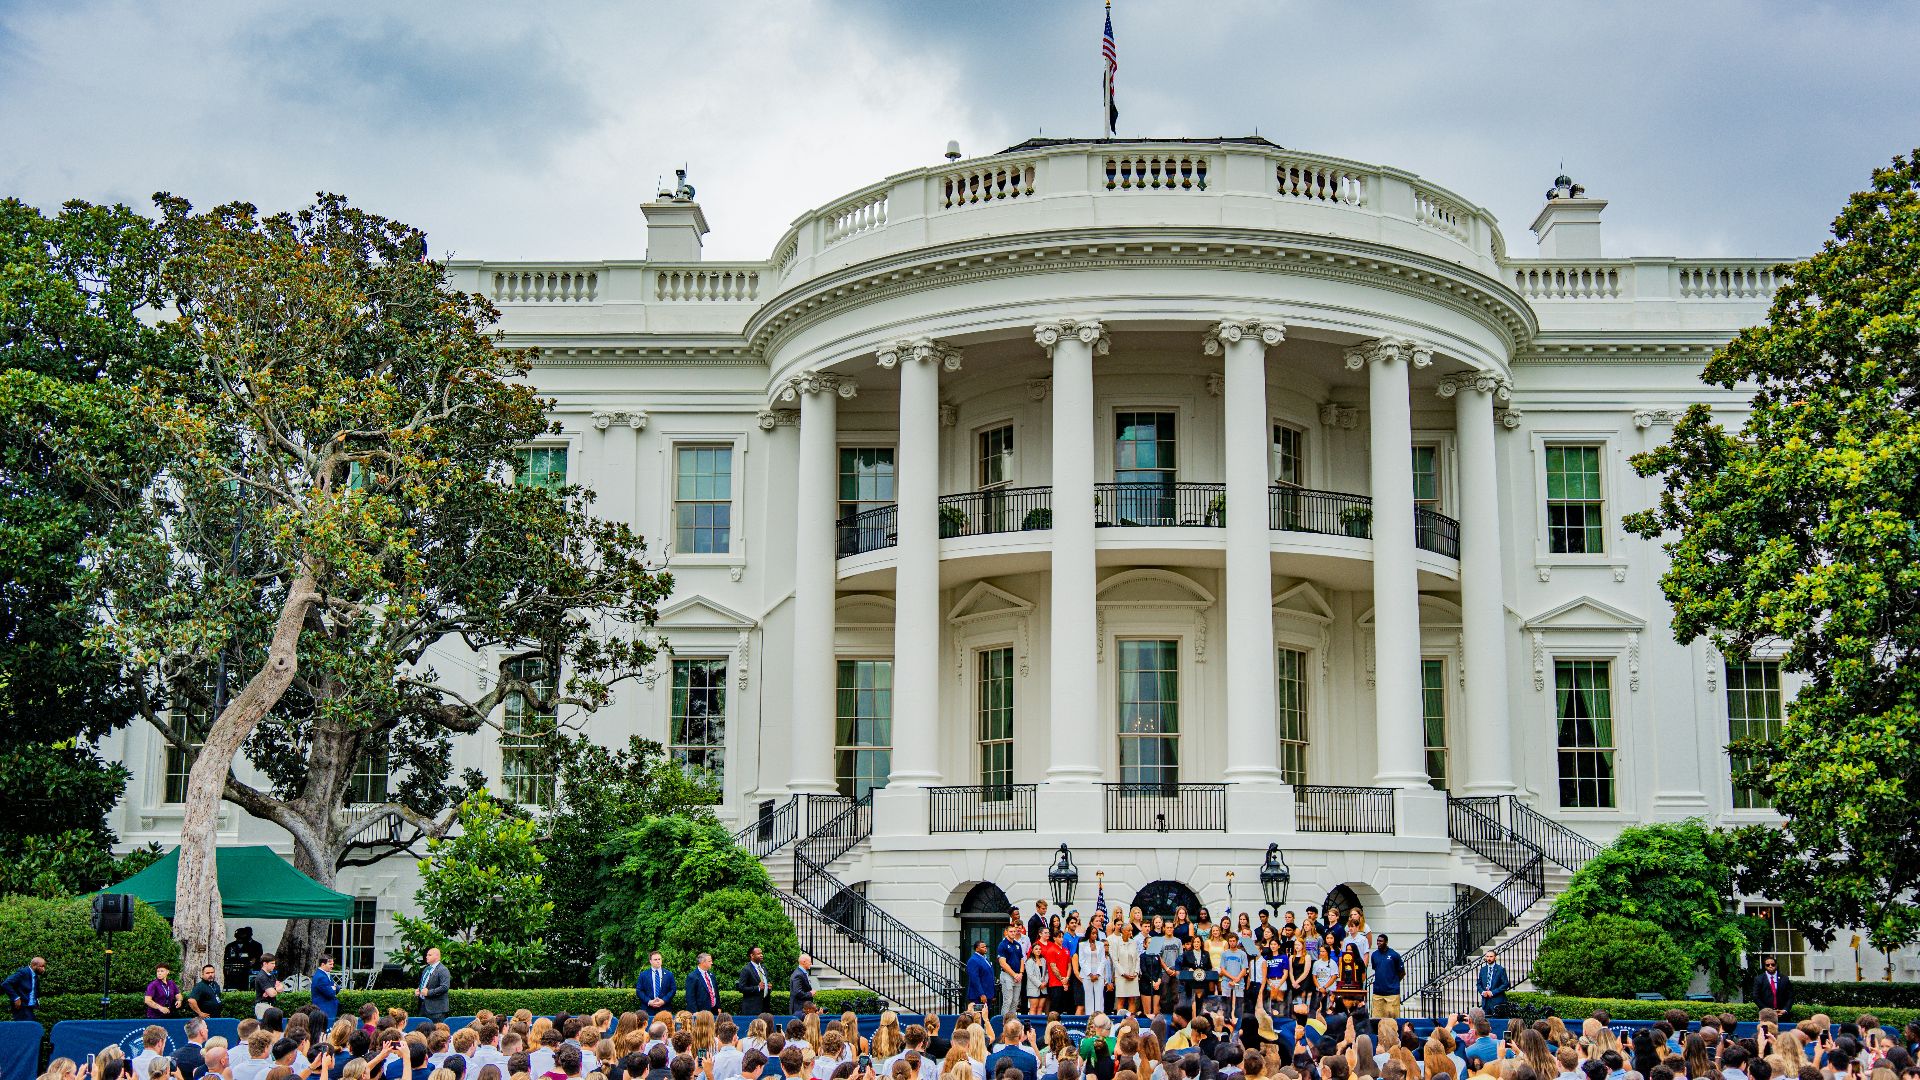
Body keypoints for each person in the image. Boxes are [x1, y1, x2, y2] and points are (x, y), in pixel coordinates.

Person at [1367, 935, 1403, 1019]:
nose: (1378, 943)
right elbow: (1376, 968)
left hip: (1392, 993)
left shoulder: (1394, 955)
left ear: (1386, 942)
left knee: (1392, 1019)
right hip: (1378, 993)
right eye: (1378, 941)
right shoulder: (1374, 955)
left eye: (1381, 941)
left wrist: (1393, 982)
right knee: (1376, 1019)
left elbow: (1401, 972)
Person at [996, 924, 1026, 1020]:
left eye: (1014, 931)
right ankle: (1004, 1022)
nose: (1013, 933)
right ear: (1006, 932)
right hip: (1007, 975)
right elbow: (1002, 963)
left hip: (1018, 976)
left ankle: (1012, 1022)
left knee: (1015, 1001)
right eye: (1011, 931)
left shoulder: (1017, 944)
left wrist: (1021, 973)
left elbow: (1021, 959)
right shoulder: (1002, 945)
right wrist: (1014, 975)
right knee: (1007, 1001)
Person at [1112, 922, 1142, 1016]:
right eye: (1129, 930)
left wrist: (1136, 972)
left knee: (1132, 999)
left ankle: (1131, 1020)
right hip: (1122, 976)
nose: (1130, 932)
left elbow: (1137, 958)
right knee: (1121, 999)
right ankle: (1119, 1022)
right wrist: (1123, 973)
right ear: (1123, 931)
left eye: (1131, 930)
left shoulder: (1133, 942)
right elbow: (1115, 960)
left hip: (1133, 975)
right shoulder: (1116, 942)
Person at [416, 947, 452, 1023]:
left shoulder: (443, 970)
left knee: (437, 1033)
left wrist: (428, 992)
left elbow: (444, 987)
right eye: (427, 955)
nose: (426, 956)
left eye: (429, 955)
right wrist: (419, 990)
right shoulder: (427, 969)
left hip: (437, 1010)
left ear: (437, 957)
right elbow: (424, 984)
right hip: (423, 1006)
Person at [4, 955, 44, 1021]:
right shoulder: (23, 972)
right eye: (41, 966)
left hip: (29, 1008)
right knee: (27, 1028)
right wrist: (16, 998)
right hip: (21, 1008)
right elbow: (6, 984)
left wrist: (36, 1000)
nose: (43, 969)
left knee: (29, 1027)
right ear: (34, 965)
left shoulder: (35, 975)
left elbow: (33, 990)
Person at [736, 946, 773, 1016]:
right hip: (752, 1009)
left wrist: (768, 987)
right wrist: (757, 988)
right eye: (758, 954)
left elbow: (764, 984)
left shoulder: (763, 968)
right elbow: (741, 988)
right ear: (752, 955)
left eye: (761, 953)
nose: (761, 955)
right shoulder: (746, 969)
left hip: (764, 1007)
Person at [1475, 951, 1510, 1017]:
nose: (1489, 958)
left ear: (1495, 958)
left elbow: (1505, 984)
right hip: (1485, 1002)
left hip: (1497, 1001)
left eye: (1491, 956)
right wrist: (1482, 992)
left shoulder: (1500, 969)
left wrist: (1493, 992)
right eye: (1487, 956)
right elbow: (1479, 984)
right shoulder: (1483, 970)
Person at [968, 941, 998, 1013]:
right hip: (978, 996)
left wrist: (993, 994)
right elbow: (975, 979)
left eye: (985, 947)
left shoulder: (985, 959)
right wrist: (981, 994)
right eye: (982, 947)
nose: (985, 948)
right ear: (977, 949)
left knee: (985, 1016)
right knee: (978, 1015)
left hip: (988, 994)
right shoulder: (973, 960)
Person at [312, 955, 341, 1025]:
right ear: (323, 964)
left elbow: (337, 988)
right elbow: (330, 993)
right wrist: (333, 987)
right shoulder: (321, 977)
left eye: (333, 964)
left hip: (328, 1008)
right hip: (325, 1009)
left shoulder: (325, 974)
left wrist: (333, 987)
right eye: (330, 964)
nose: (332, 966)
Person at [251, 955, 282, 1020]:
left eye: (274, 963)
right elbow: (272, 993)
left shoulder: (271, 975)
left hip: (270, 1005)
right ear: (265, 963)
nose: (274, 965)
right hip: (262, 1007)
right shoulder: (262, 976)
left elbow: (281, 988)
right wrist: (275, 989)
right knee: (264, 1028)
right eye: (272, 963)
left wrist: (272, 990)